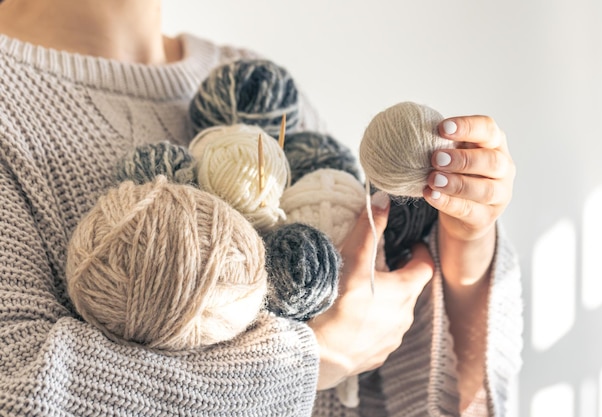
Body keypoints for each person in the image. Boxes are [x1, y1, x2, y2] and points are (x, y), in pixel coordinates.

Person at [0, 0, 522, 416]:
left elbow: (387, 358)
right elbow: (18, 391)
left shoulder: (249, 82)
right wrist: (309, 362)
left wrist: (463, 239)